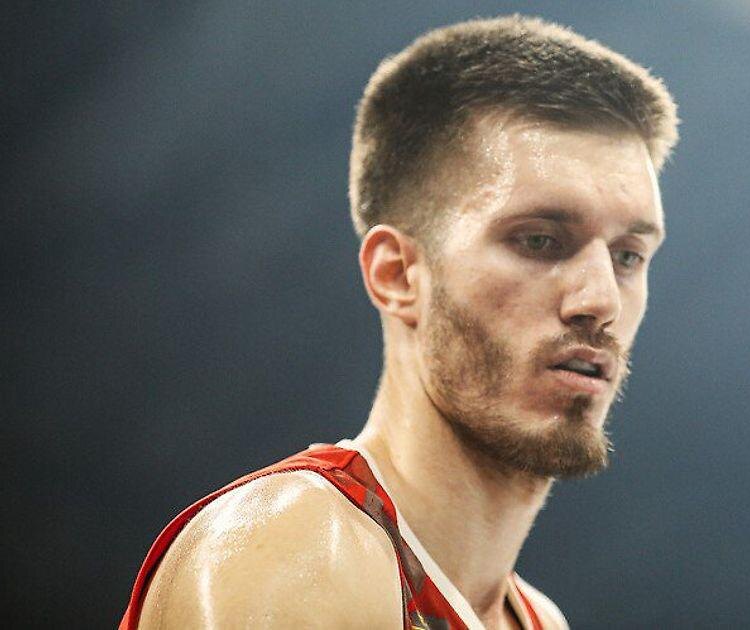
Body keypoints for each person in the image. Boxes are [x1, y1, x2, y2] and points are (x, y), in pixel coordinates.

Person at [120, 14, 678, 630]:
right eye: (540, 240)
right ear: (398, 275)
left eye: (628, 256)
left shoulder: (539, 619)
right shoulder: (293, 554)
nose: (601, 300)